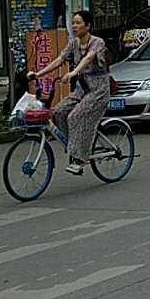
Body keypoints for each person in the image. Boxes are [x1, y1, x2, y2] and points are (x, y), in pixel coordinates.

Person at [39, 10, 111, 175]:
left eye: (78, 23)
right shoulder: (73, 44)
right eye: (73, 23)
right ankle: (74, 145)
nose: (74, 26)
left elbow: (88, 58)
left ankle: (81, 158)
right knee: (58, 112)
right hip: (82, 89)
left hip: (98, 90)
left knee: (75, 116)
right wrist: (38, 74)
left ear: (88, 25)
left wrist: (74, 72)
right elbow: (59, 60)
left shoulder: (97, 42)